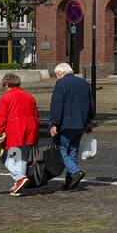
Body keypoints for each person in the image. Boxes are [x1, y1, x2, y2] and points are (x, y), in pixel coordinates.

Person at [0, 72, 40, 196]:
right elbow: (36, 116)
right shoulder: (29, 97)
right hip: (30, 129)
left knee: (5, 157)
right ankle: (18, 186)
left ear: (7, 84)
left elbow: (1, 118)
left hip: (15, 130)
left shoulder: (6, 98)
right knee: (22, 158)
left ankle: (19, 178)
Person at [48, 61, 94, 191]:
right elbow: (90, 103)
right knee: (73, 150)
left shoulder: (61, 83)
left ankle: (75, 172)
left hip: (66, 124)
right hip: (80, 123)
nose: (56, 77)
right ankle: (70, 181)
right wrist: (89, 121)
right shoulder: (84, 83)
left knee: (62, 149)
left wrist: (53, 123)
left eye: (56, 75)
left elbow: (57, 105)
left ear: (60, 73)